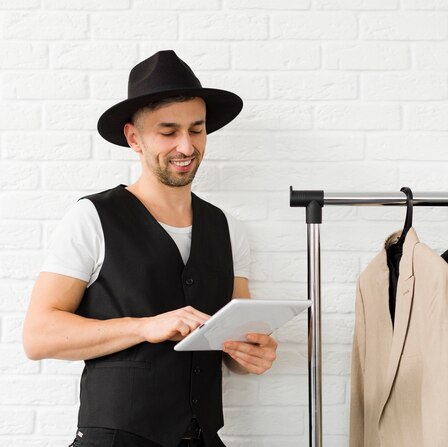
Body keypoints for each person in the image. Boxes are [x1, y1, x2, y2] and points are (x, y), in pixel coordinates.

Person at [22, 50, 278, 447]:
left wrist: (249, 355)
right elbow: (38, 337)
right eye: (168, 131)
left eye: (197, 129)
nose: (187, 146)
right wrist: (145, 325)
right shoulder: (92, 217)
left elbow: (233, 338)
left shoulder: (227, 229)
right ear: (133, 138)